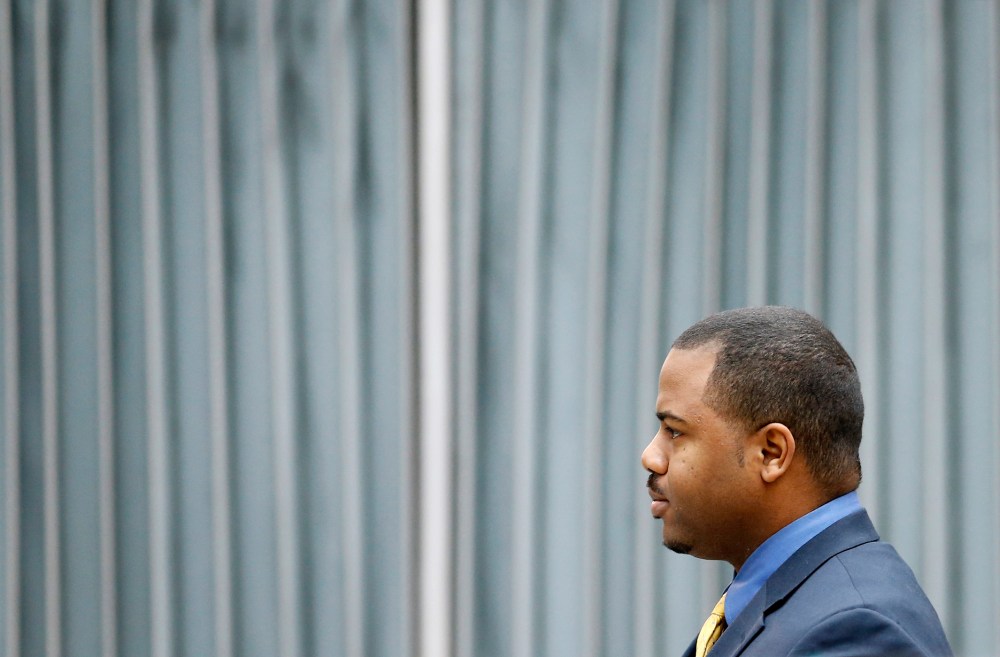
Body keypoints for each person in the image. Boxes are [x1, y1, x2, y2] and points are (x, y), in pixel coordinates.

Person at [641, 306, 953, 657]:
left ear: (771, 453)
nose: (650, 456)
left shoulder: (854, 631)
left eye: (674, 431)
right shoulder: (792, 597)